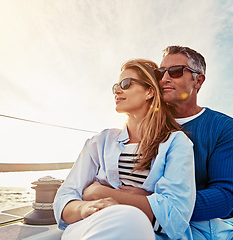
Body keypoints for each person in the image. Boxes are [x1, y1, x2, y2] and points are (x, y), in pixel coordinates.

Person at [53, 59, 196, 240]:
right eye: (115, 87)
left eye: (126, 84)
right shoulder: (99, 142)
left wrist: (100, 193)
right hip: (94, 224)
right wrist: (84, 208)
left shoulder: (176, 142)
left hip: (148, 234)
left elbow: (175, 215)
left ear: (150, 91)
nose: (117, 91)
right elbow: (64, 198)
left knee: (131, 220)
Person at [154, 45, 233, 239]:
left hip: (211, 225)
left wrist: (159, 207)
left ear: (198, 80)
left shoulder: (223, 127)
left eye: (175, 71)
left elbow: (224, 195)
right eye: (160, 72)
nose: (164, 79)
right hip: (154, 220)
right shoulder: (147, 125)